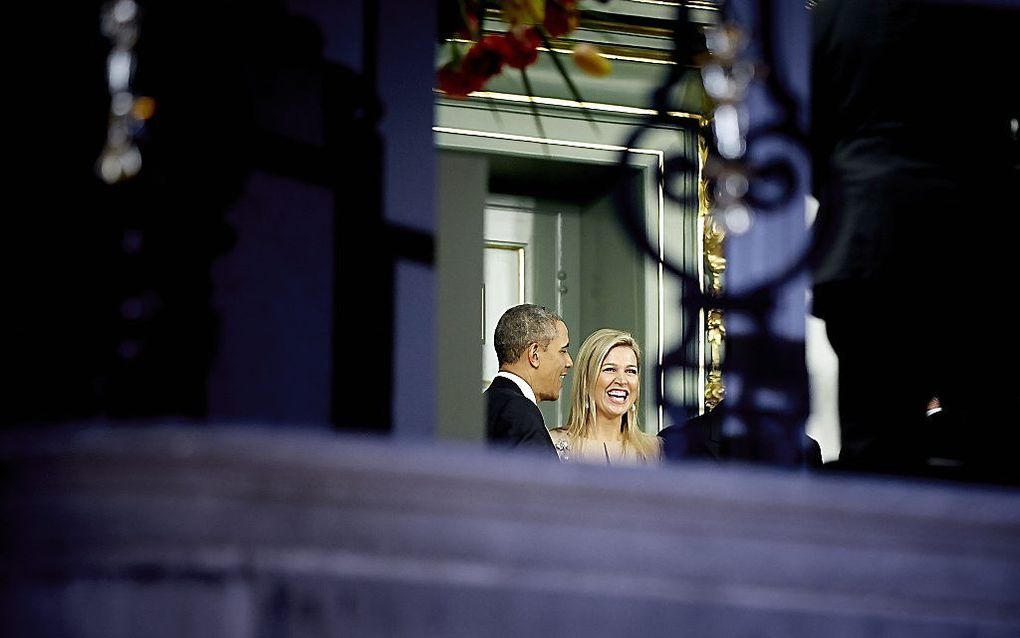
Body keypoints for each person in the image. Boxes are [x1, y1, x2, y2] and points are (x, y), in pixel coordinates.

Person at [811, 0, 1020, 481]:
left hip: (868, 238)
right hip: (976, 235)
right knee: (992, 444)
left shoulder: (834, 17)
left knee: (874, 444)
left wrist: (853, 186)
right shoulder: (993, 13)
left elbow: (800, 133)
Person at [550, 329, 661, 465]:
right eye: (610, 369)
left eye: (630, 371)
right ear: (586, 380)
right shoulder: (552, 445)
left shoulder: (657, 450)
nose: (622, 380)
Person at [484, 303, 573, 455]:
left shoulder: (485, 404)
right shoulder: (521, 414)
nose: (569, 362)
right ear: (534, 354)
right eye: (563, 351)